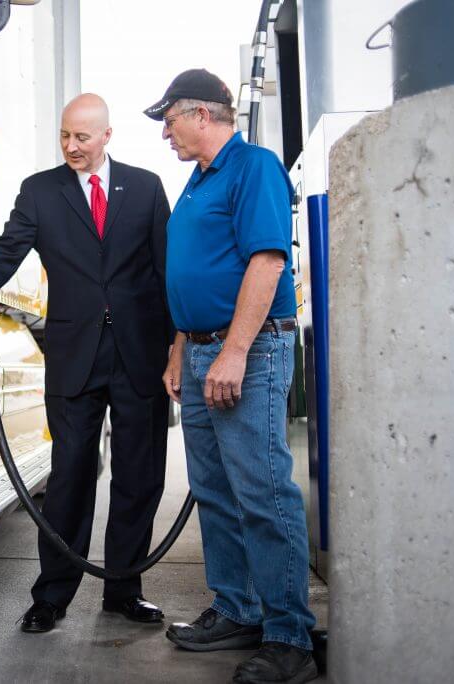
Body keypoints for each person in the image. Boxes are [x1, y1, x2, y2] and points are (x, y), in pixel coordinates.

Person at [0, 94, 172, 633]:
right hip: (73, 356)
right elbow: (4, 252)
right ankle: (52, 596)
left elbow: (165, 268)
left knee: (139, 477)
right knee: (69, 477)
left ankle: (124, 592)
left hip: (139, 355)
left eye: (82, 138)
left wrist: (179, 344)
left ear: (107, 136)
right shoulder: (41, 191)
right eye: (64, 136)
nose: (70, 146)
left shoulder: (147, 187)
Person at [143, 69, 317, 683]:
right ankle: (238, 608)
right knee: (215, 491)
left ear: (201, 114)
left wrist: (235, 352)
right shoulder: (197, 180)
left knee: (263, 494)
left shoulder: (253, 168)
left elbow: (267, 262)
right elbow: (195, 275)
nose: (165, 133)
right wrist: (178, 351)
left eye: (168, 120)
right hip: (198, 352)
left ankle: (289, 636)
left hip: (248, 351)